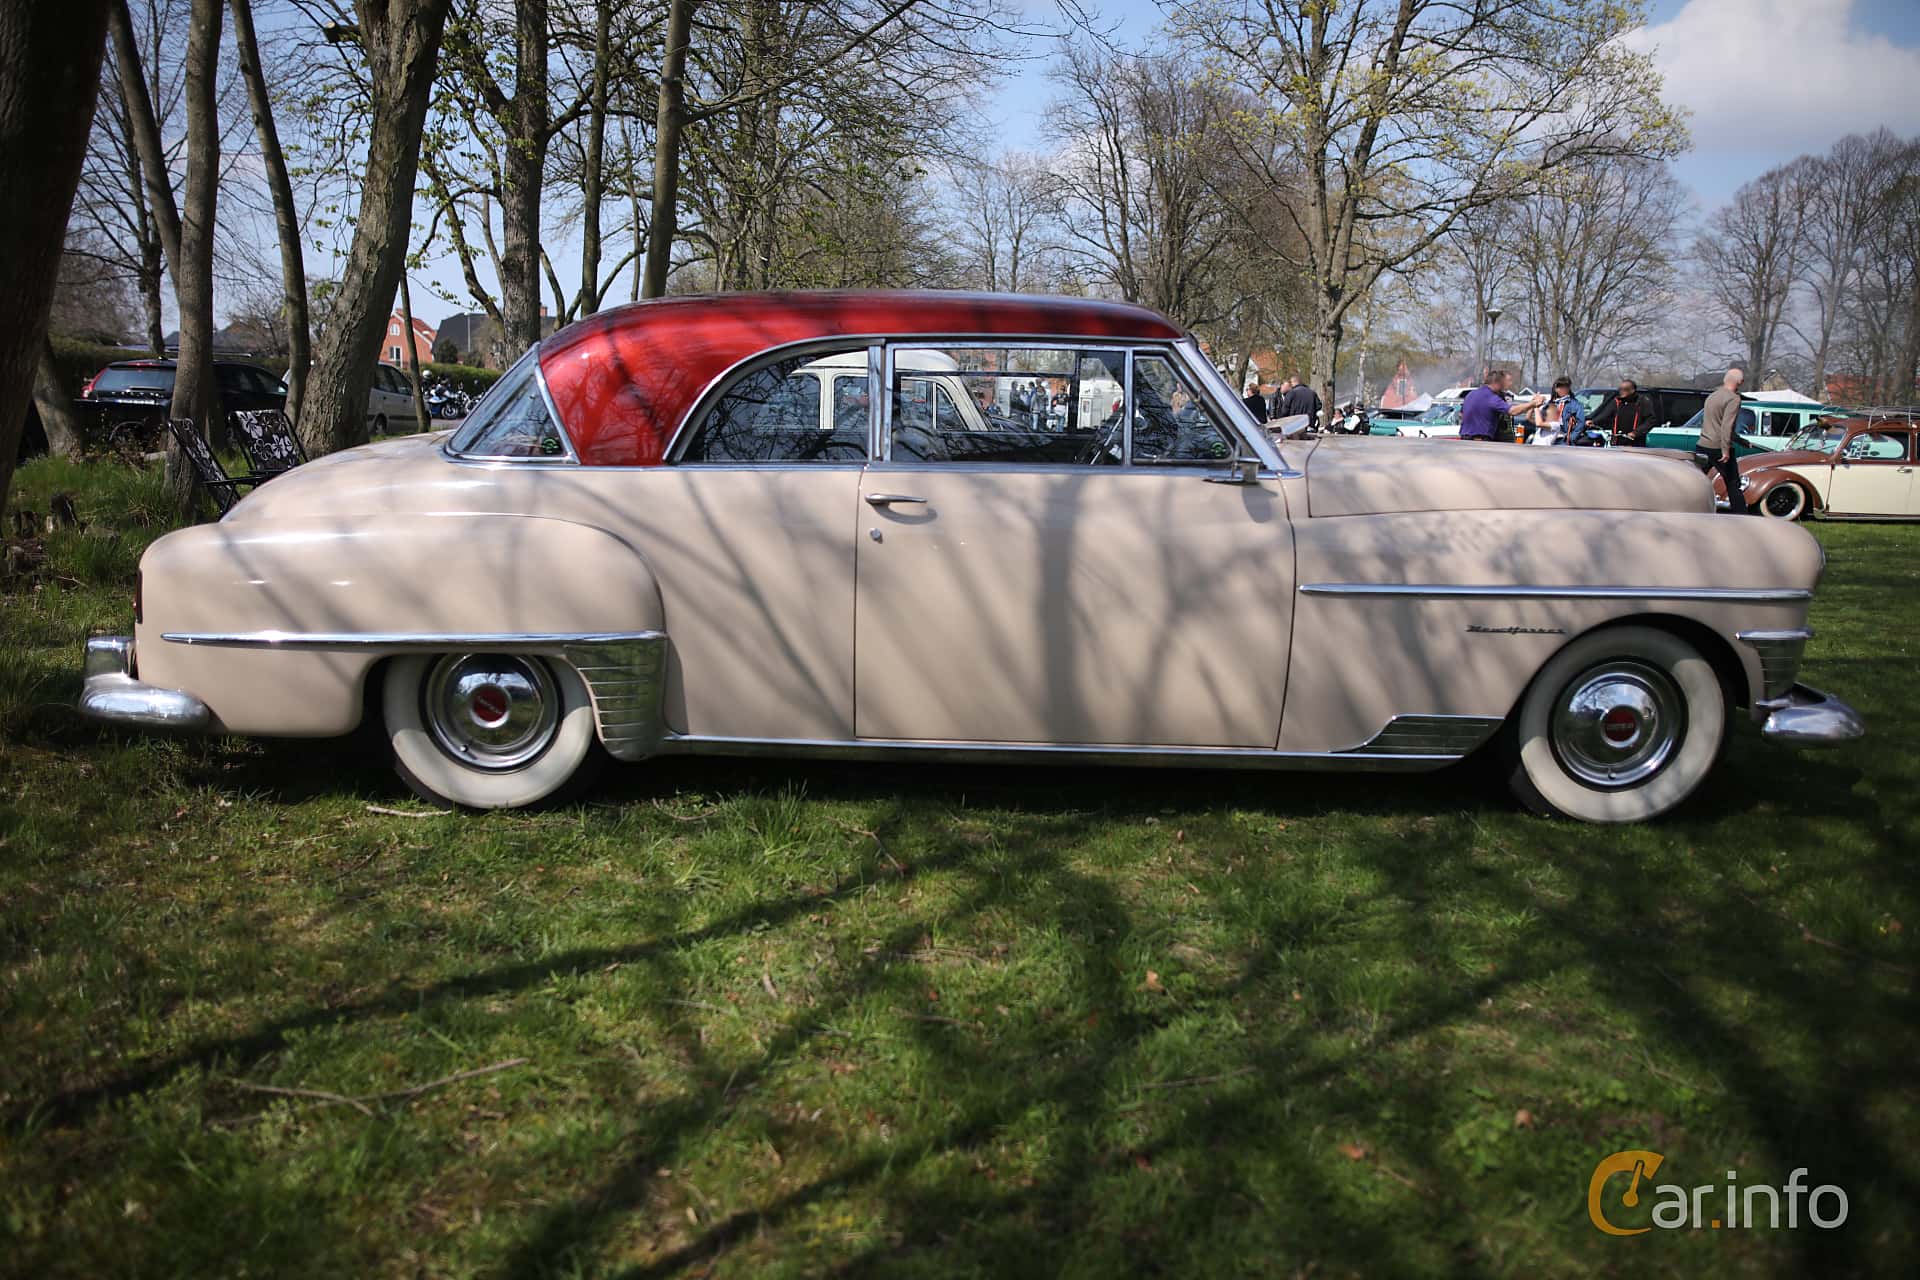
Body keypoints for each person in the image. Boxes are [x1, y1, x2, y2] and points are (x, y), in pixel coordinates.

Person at [1698, 367, 1749, 514]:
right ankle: (1741, 515)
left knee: (1697, 478)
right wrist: (1725, 450)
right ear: (1740, 381)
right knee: (1733, 483)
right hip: (1719, 447)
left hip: (1702, 444)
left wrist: (1742, 441)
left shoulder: (1712, 396)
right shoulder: (1733, 399)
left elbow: (1716, 425)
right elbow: (1727, 427)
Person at [1589, 379, 1658, 446]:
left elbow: (1650, 420)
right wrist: (1593, 421)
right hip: (1616, 441)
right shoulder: (1616, 402)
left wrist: (1636, 433)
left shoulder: (1642, 402)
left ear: (1632, 390)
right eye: (1620, 389)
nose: (1622, 392)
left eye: (1625, 390)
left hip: (1635, 442)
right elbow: (1604, 415)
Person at [1531, 376, 1587, 445]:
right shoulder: (1550, 403)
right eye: (1559, 387)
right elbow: (1539, 420)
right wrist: (1534, 403)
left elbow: (1581, 423)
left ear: (1569, 388)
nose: (1561, 389)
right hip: (1549, 437)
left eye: (1564, 387)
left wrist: (1571, 438)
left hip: (1563, 439)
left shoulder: (1576, 405)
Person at [1459, 369, 1511, 441]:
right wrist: (1530, 404)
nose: (1502, 386)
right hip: (1480, 439)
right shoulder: (1492, 397)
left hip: (1464, 437)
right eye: (1501, 383)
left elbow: (1461, 414)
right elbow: (1512, 411)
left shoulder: (1470, 394)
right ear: (1496, 383)